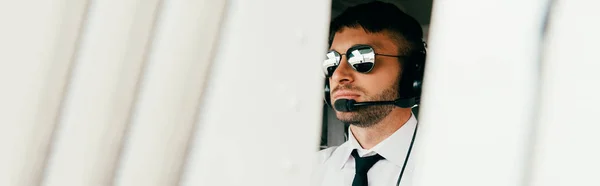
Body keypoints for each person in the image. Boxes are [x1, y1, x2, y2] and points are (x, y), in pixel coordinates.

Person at [314, 1, 426, 186]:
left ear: (412, 74)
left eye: (361, 58)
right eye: (332, 62)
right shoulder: (312, 171)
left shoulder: (452, 167)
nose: (339, 75)